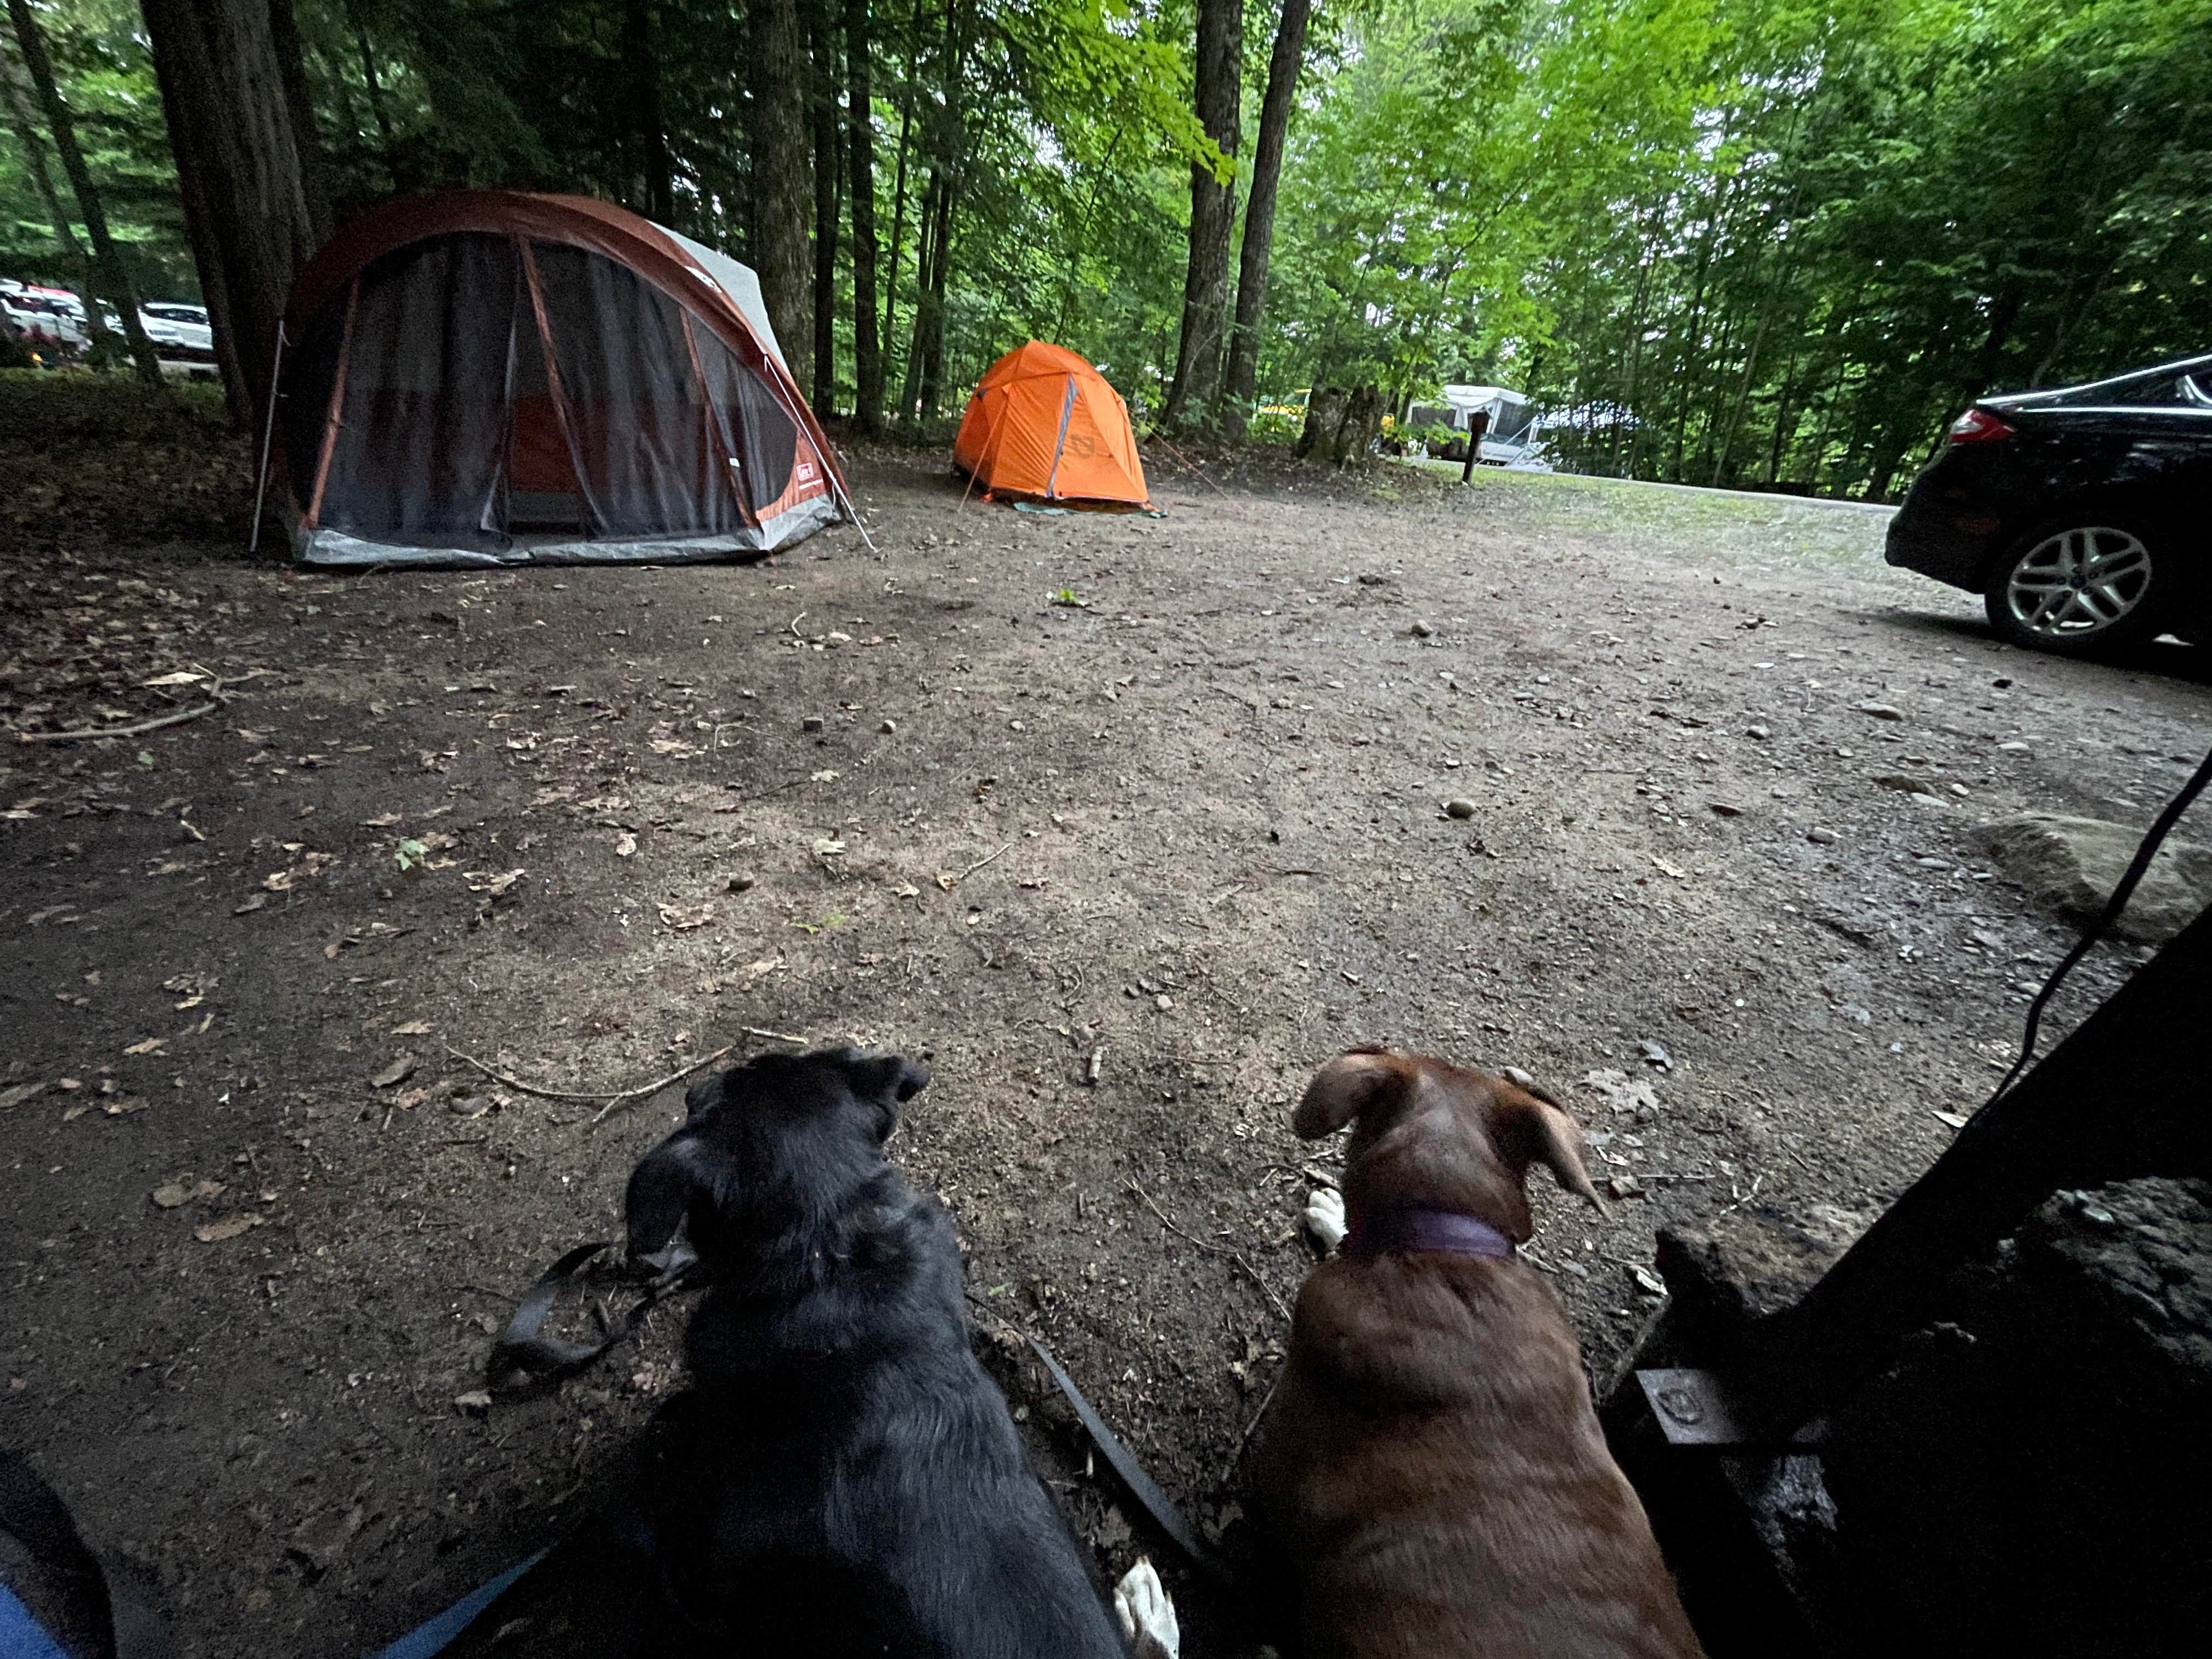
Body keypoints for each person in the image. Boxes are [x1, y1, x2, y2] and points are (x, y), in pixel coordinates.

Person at [1459, 407, 1492, 484]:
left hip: (1476, 433)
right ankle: (1466, 478)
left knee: (1473, 448)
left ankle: (1467, 478)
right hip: (1474, 432)